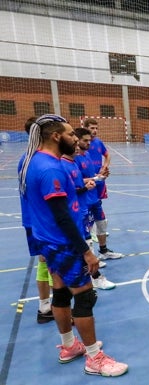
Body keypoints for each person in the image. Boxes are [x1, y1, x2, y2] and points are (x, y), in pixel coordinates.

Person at [18, 114, 128, 376]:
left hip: (48, 239)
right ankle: (94, 358)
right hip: (63, 241)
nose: (75, 139)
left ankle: (69, 346)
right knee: (84, 295)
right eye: (70, 134)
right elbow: (62, 216)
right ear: (56, 136)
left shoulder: (35, 160)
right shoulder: (50, 168)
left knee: (62, 292)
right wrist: (86, 251)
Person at [18, 117, 54, 323]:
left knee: (43, 262)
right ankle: (58, 307)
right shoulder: (39, 160)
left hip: (32, 220)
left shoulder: (27, 157)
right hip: (42, 222)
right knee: (52, 264)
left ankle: (45, 306)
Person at [72, 127, 116, 290]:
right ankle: (95, 276)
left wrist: (100, 176)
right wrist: (95, 179)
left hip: (93, 198)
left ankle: (103, 251)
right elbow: (75, 181)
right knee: (86, 237)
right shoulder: (72, 159)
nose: (88, 143)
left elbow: (88, 178)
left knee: (102, 223)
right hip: (82, 202)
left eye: (89, 140)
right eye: (85, 140)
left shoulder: (88, 154)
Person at [84, 118, 122, 260]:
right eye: (91, 128)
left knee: (100, 216)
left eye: (96, 128)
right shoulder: (80, 154)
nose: (94, 131)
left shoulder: (98, 143)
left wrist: (104, 167)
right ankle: (91, 254)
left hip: (98, 182)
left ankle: (103, 250)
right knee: (86, 219)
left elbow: (107, 155)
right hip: (88, 185)